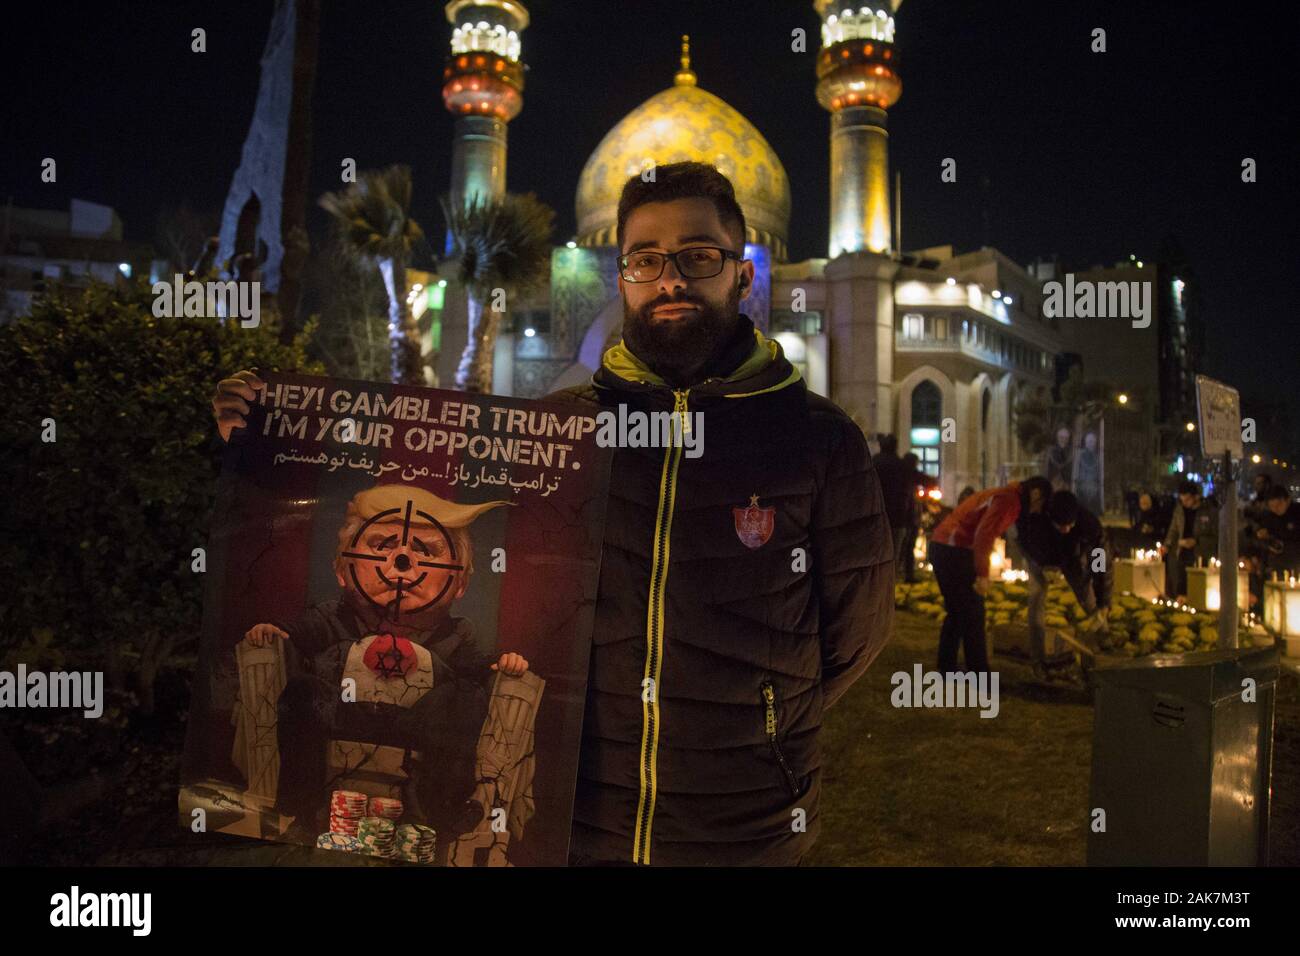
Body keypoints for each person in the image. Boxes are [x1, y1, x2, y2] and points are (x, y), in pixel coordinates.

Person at [213, 161, 895, 867]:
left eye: (699, 256)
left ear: (744, 273)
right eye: (646, 259)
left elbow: (857, 631)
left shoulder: (816, 438)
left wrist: (766, 718)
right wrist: (263, 438)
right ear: (618, 276)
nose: (671, 280)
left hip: (741, 825)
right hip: (573, 821)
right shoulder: (555, 434)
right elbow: (391, 485)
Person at [238, 484, 528, 838]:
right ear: (343, 571)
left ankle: (444, 808)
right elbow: (294, 635)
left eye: (427, 550)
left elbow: (481, 665)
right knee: (303, 691)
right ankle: (297, 799)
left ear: (459, 583)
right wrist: (274, 632)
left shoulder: (458, 634)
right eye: (382, 546)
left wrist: (503, 663)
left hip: (419, 725)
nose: (402, 562)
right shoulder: (330, 617)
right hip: (344, 717)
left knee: (465, 699)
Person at [927, 476, 1053, 674]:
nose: (1037, 510)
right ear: (1036, 494)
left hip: (944, 546)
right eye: (1041, 505)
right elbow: (984, 534)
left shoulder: (1005, 496)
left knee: (959, 612)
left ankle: (948, 667)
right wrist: (983, 575)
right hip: (953, 548)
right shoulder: (1010, 501)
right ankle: (978, 673)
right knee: (973, 612)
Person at [1017, 491, 1112, 679]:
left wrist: (1104, 602)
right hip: (1040, 559)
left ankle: (1104, 634)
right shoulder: (1035, 522)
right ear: (1051, 519)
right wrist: (1042, 564)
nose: (1067, 529)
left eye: (1070, 525)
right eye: (1061, 526)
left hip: (1072, 558)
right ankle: (1038, 660)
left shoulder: (1090, 526)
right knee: (1036, 598)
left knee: (1088, 595)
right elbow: (1025, 543)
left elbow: (1100, 566)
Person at [1162, 479, 1219, 601]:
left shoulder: (1209, 511)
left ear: (1196, 497)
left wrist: (1196, 541)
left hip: (1201, 553)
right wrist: (1167, 544)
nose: (1185, 503)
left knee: (1198, 584)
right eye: (1182, 500)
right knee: (1181, 582)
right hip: (1182, 552)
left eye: (1187, 499)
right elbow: (1174, 529)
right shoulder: (1180, 510)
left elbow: (1215, 535)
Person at [872, 433, 911, 577]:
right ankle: (889, 589)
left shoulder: (873, 462)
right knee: (893, 554)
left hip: (876, 515)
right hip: (897, 517)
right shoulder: (901, 465)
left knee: (876, 555)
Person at [898, 452, 928, 582]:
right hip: (906, 518)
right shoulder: (907, 474)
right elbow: (927, 480)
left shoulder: (903, 475)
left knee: (905, 547)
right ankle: (904, 574)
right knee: (905, 547)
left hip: (907, 517)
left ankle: (903, 573)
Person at [1045, 426, 1073, 492]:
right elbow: (1047, 471)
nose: (1064, 440)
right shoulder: (1050, 451)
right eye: (1061, 437)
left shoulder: (1072, 452)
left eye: (1066, 438)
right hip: (1053, 485)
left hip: (1068, 486)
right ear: (1057, 438)